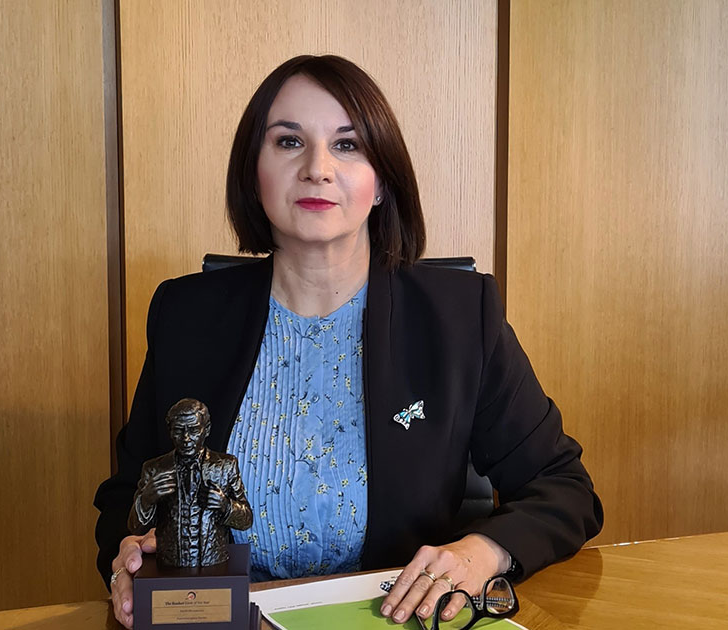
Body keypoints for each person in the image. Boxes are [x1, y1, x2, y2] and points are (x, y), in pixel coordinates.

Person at [94, 54, 603, 629]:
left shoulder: (461, 317)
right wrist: (126, 557)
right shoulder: (185, 314)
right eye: (289, 142)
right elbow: (125, 497)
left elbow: (564, 488)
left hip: (388, 621)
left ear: (381, 181)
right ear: (253, 172)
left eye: (347, 145)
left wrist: (482, 552)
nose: (317, 168)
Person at [129, 398, 252, 567]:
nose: (186, 438)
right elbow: (134, 528)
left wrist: (225, 505)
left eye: (193, 430)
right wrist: (146, 500)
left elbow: (246, 520)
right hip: (170, 564)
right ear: (170, 431)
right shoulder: (154, 469)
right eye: (179, 430)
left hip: (214, 563)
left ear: (206, 429)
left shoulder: (226, 466)